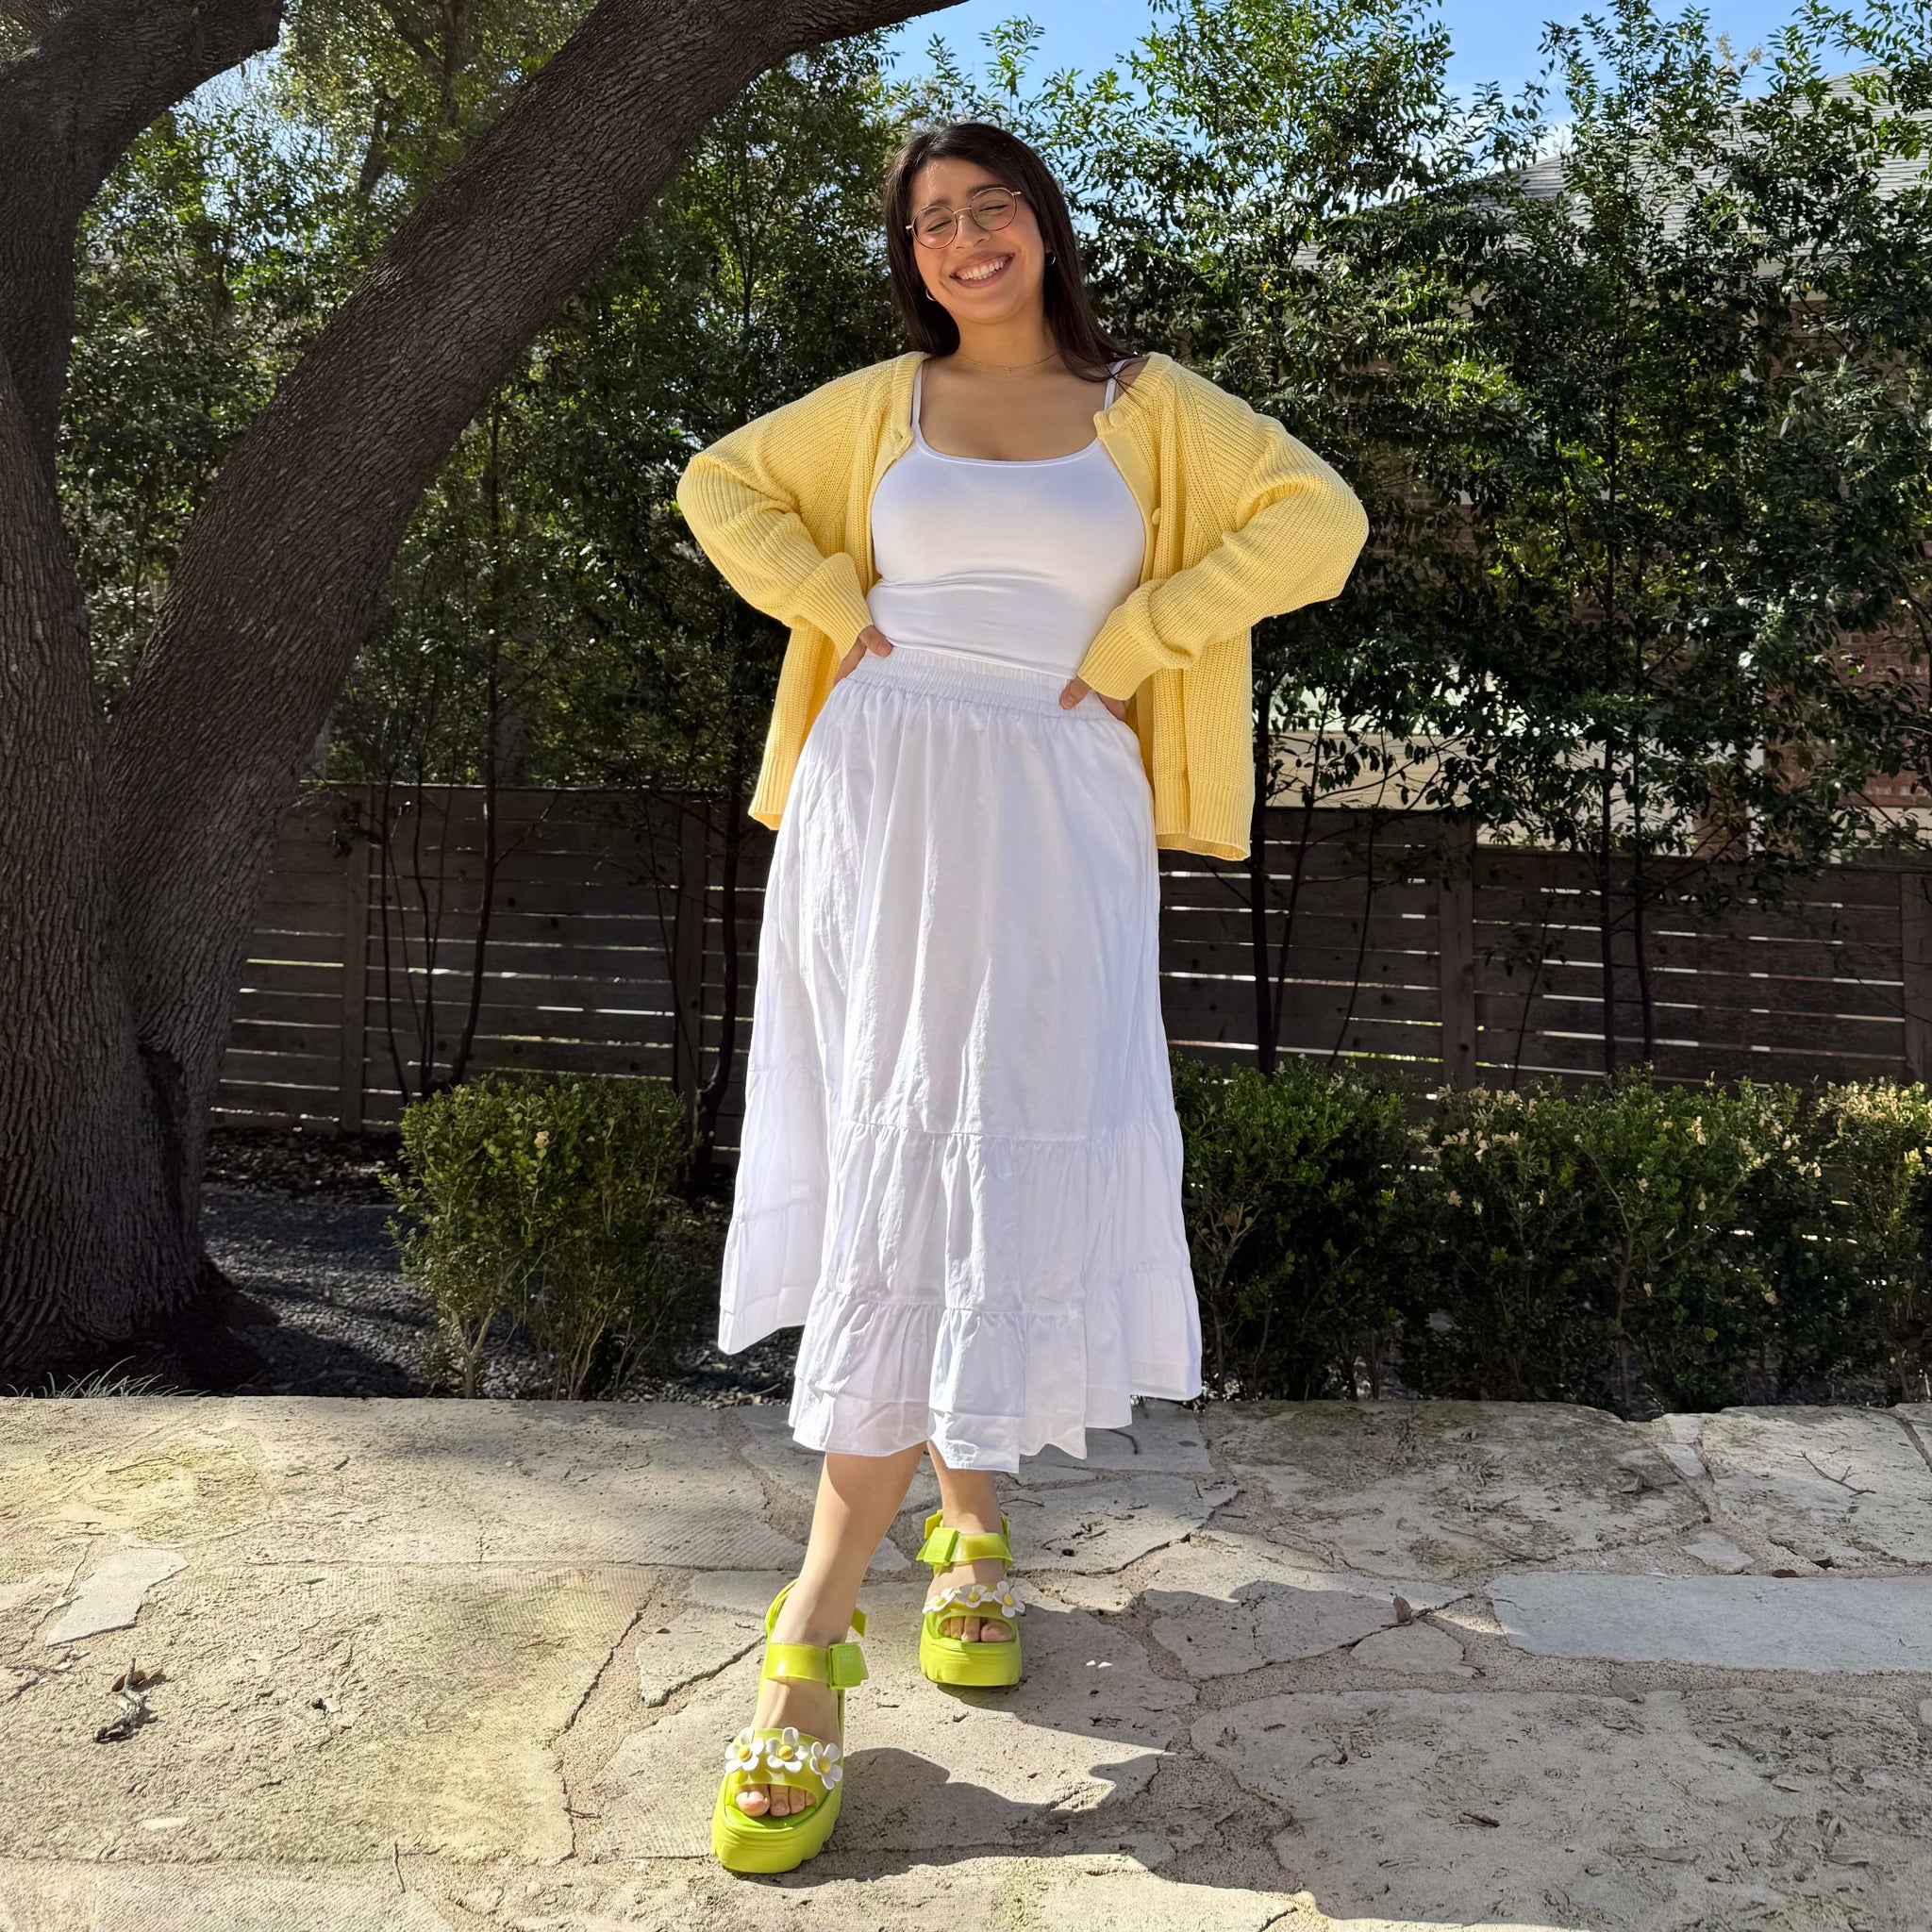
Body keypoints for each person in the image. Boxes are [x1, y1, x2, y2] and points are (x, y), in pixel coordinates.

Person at [675, 120, 1369, 1873]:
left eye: (992, 207)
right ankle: (899, 1581)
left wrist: (1138, 642)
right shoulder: (880, 405)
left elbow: (1321, 522)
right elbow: (718, 484)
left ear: (1045, 227)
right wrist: (831, 597)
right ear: (909, 255)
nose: (965, 238)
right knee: (903, 1153)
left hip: (1058, 798)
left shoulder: (1149, 405)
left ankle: (869, 1592)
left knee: (981, 1145)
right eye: (932, 220)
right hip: (881, 786)